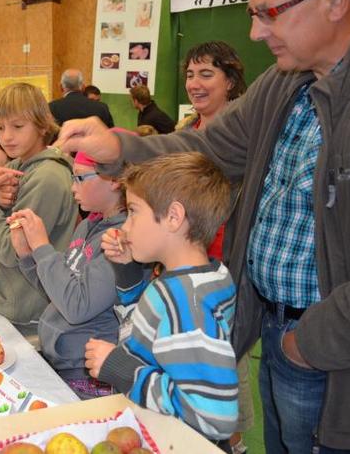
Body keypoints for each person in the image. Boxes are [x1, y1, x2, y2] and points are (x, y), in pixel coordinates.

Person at [57, 0, 350, 450]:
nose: (255, 31)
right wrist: (120, 151)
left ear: (334, 0)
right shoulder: (286, 83)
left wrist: (309, 342)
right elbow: (207, 148)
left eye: (268, 13)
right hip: (276, 327)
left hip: (334, 352)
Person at [85, 152, 237, 448]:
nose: (125, 226)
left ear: (173, 217)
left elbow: (215, 416)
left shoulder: (185, 301)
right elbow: (149, 326)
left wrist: (123, 370)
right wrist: (127, 270)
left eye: (133, 211)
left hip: (179, 441)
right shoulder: (204, 275)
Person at [7, 151, 144, 399]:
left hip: (88, 378)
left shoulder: (121, 241)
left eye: (80, 178)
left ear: (114, 180)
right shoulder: (87, 226)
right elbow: (59, 292)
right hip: (62, 365)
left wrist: (42, 247)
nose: (72, 187)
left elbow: (76, 306)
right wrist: (28, 255)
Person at [176, 41, 251, 454]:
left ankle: (234, 444)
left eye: (206, 74)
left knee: (225, 364)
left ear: (231, 81)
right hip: (183, 267)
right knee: (188, 363)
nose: (195, 83)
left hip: (226, 269)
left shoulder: (247, 136)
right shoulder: (185, 133)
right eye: (190, 74)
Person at [0, 83, 77, 336]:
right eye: (0, 128)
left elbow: (10, 251)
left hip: (29, 312)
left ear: (42, 125)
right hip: (10, 304)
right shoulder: (16, 166)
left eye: (17, 126)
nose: (7, 137)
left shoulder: (47, 177)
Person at [177, 41, 247, 132]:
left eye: (206, 75)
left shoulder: (246, 133)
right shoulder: (182, 134)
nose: (194, 85)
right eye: (190, 76)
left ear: (231, 82)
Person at [49, 69, 114, 127]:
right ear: (83, 87)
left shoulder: (52, 108)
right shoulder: (102, 108)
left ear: (60, 87)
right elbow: (111, 134)